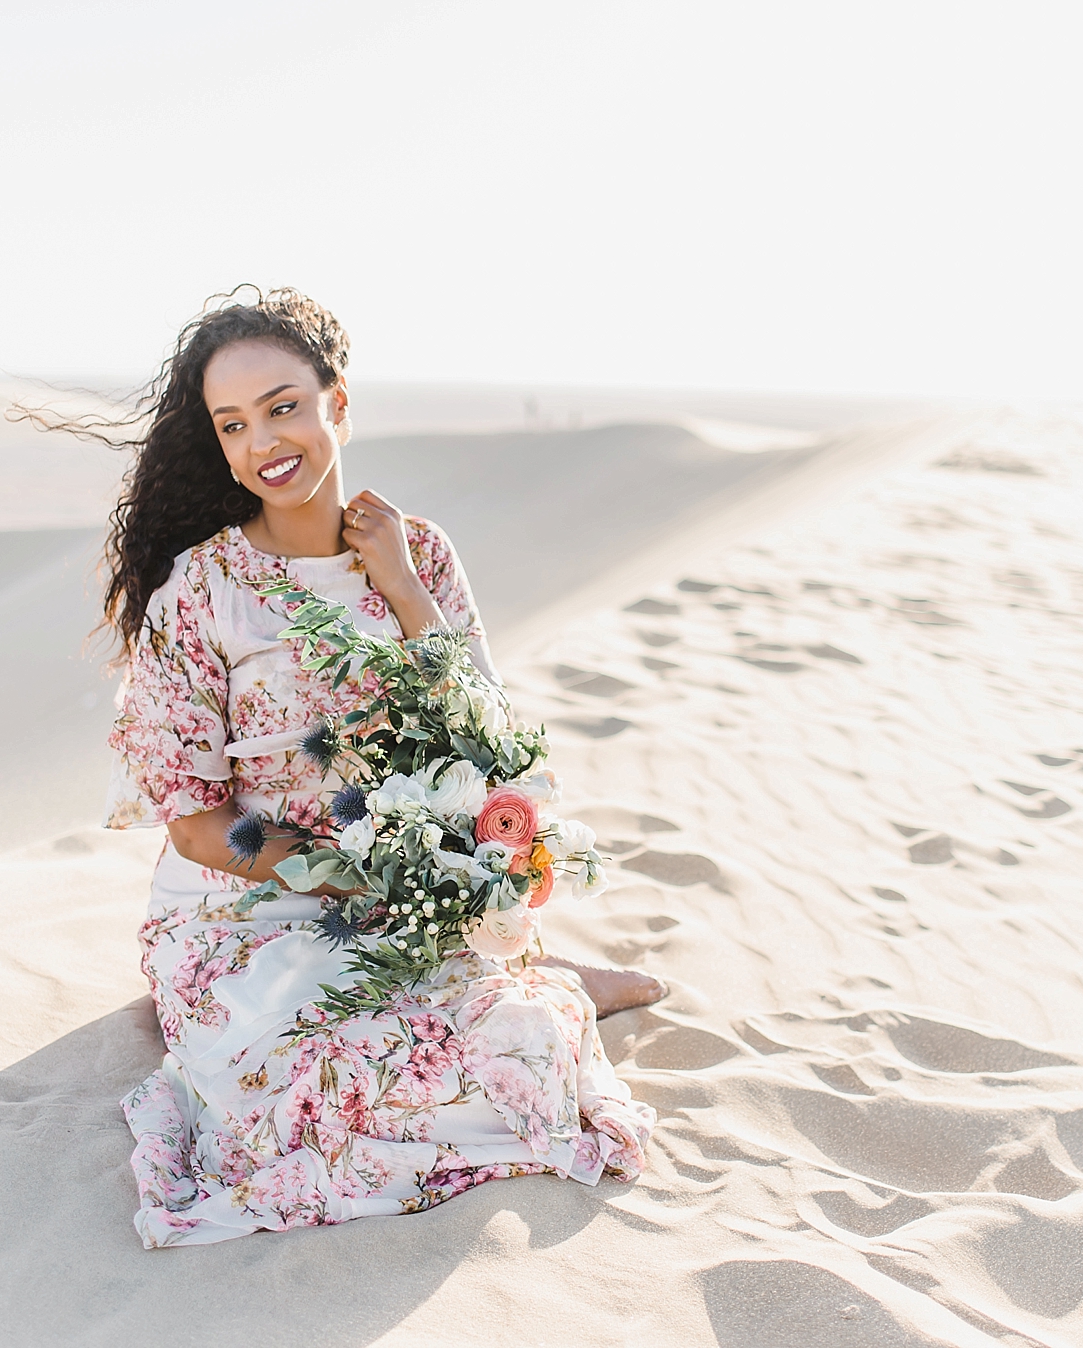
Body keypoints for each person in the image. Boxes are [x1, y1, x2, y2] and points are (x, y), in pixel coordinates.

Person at [85, 287, 662, 1248]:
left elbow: (486, 734)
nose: (263, 440)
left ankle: (528, 976)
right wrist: (349, 876)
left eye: (282, 406)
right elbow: (194, 823)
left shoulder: (420, 552)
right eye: (233, 424)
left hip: (408, 896)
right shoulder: (201, 594)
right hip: (243, 907)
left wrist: (398, 585)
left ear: (336, 404)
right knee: (291, 1095)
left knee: (519, 1055)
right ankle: (505, 975)